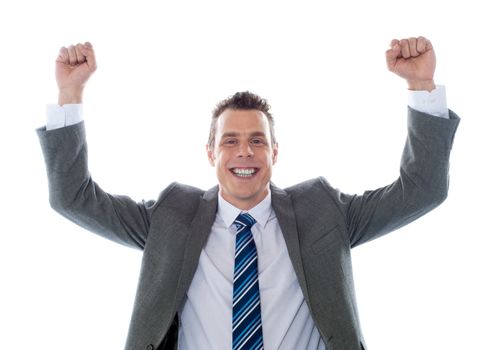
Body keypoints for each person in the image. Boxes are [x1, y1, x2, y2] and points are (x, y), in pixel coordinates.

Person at [37, 37, 460, 350]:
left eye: (258, 141)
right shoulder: (171, 215)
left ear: (275, 153)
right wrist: (70, 96)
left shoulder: (323, 210)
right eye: (230, 141)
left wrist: (421, 87)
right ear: (209, 153)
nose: (245, 152)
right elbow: (72, 197)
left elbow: (421, 189)